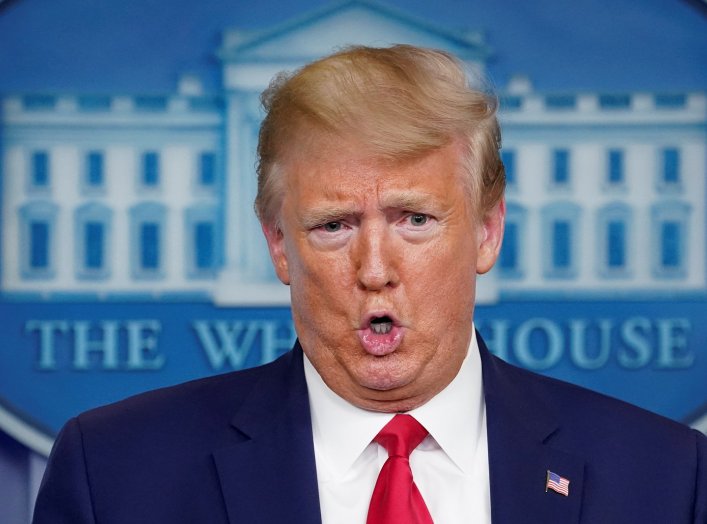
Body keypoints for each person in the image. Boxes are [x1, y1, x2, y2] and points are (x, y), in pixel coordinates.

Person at [33, 45, 705, 524]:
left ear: (485, 232)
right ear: (279, 246)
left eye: (414, 219)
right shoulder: (116, 475)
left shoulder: (665, 478)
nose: (374, 268)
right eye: (332, 225)